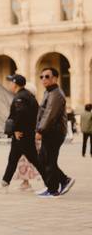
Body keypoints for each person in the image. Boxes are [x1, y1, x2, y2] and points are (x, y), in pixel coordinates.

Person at [0, 74, 40, 192]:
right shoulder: (28, 96)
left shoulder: (20, 97)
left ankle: (56, 182)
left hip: (22, 135)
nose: (9, 84)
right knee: (13, 159)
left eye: (11, 82)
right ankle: (4, 183)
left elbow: (20, 114)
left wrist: (17, 129)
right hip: (25, 134)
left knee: (35, 160)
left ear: (15, 84)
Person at [35, 67, 75, 197]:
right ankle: (64, 180)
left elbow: (49, 114)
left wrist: (40, 130)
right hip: (50, 131)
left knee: (49, 160)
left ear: (55, 78)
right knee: (44, 159)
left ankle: (53, 190)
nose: (43, 79)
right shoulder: (49, 92)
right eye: (42, 77)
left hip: (54, 132)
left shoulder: (56, 94)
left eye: (47, 76)